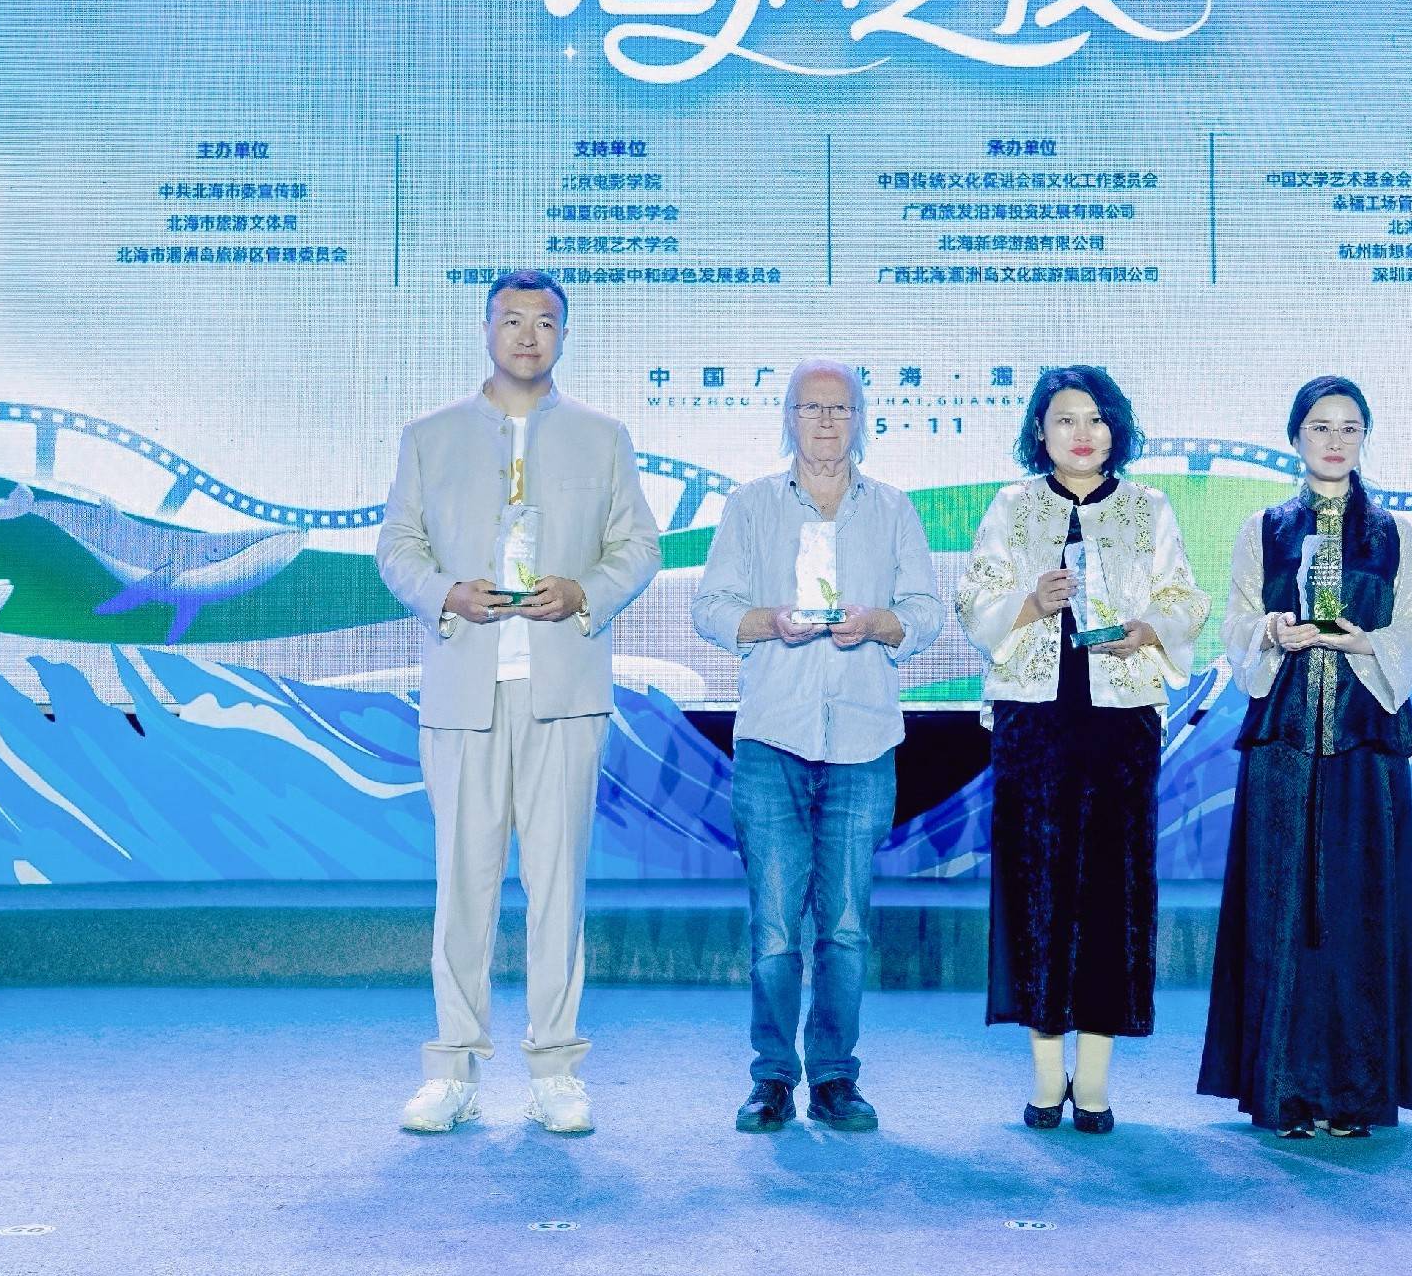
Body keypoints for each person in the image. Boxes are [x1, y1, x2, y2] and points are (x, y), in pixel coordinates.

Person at [376, 269, 662, 1136]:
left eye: (544, 323)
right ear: (486, 331)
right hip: (463, 691)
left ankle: (555, 1070)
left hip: (562, 691)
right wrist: (443, 594)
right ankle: (452, 1071)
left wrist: (583, 591)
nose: (527, 336)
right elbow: (397, 548)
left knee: (556, 888)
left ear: (563, 337)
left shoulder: (602, 437)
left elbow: (638, 547)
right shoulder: (429, 436)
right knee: (462, 890)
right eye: (512, 320)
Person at [690, 361, 945, 1134]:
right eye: (812, 407)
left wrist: (879, 623)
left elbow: (927, 612)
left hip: (863, 741)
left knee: (844, 926)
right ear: (789, 418)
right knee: (773, 930)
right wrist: (769, 621)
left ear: (862, 419)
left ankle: (835, 1077)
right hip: (773, 737)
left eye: (841, 408)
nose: (827, 421)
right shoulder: (751, 505)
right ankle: (772, 1077)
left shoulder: (893, 509)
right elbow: (710, 608)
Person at [955, 365, 1207, 1133]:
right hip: (1034, 724)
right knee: (1036, 894)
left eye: (1096, 418)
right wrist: (1030, 602)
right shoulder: (1013, 506)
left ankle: (1092, 1079)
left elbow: (1186, 598)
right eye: (1065, 418)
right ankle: (1044, 1075)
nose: (1083, 433)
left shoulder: (1147, 507)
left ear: (1115, 429)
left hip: (1120, 725)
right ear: (1041, 431)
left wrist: (1149, 628)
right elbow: (973, 599)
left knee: (1111, 897)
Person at [1198, 377, 1412, 1137]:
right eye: (1321, 427)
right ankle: (1284, 1089)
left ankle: (1353, 1094)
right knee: (1280, 910)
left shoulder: (1393, 534)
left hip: (1366, 745)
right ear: (1296, 437)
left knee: (1360, 914)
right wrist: (1271, 631)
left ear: (1364, 438)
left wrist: (1365, 641)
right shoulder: (1264, 529)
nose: (1335, 441)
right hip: (1285, 742)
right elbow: (1235, 625)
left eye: (1350, 428)